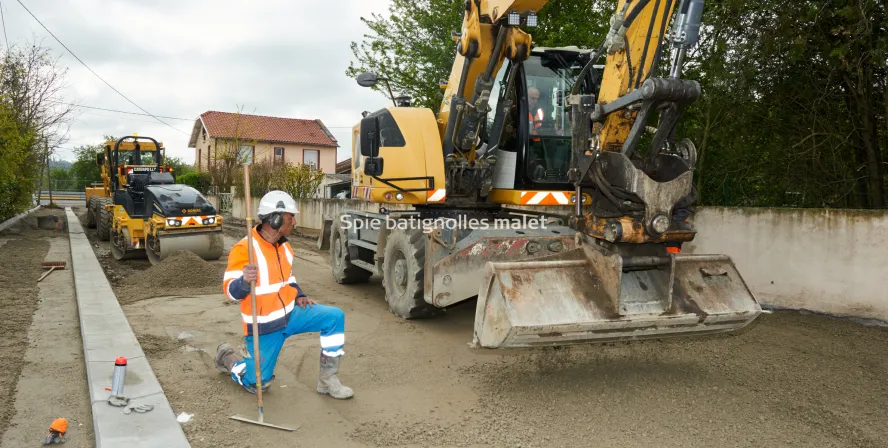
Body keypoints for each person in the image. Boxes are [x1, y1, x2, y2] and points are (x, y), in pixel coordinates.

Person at [214, 190, 354, 399]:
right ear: (276, 218)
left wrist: (299, 294)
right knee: (258, 384)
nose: (295, 222)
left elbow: (287, 278)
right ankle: (228, 357)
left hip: (291, 315)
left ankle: (328, 380)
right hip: (264, 328)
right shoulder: (245, 249)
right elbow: (230, 292)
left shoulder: (285, 246)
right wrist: (244, 281)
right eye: (291, 217)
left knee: (334, 317)